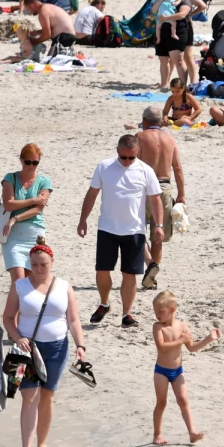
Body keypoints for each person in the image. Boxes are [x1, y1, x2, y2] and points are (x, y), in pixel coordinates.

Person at [2, 239, 88, 447]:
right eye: (35, 265)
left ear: (52, 262)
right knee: (29, 396)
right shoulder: (19, 286)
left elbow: (74, 319)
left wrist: (80, 345)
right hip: (26, 348)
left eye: (44, 264)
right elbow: (8, 318)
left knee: (48, 395)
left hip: (57, 347)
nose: (39, 269)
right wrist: (18, 337)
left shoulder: (64, 286)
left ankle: (42, 443)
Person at [77, 135, 165, 329]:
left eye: (131, 158)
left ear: (137, 153)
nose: (127, 162)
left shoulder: (145, 171)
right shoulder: (104, 167)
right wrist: (83, 220)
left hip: (134, 230)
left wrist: (159, 225)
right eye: (123, 157)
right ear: (117, 151)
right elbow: (92, 195)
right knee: (102, 270)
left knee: (129, 274)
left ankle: (127, 314)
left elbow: (155, 200)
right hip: (107, 227)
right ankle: (104, 303)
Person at [151, 291, 220, 445]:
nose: (157, 315)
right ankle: (157, 434)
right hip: (161, 371)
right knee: (161, 402)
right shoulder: (158, 327)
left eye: (161, 312)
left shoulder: (182, 326)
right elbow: (162, 347)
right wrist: (181, 340)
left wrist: (209, 339)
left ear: (172, 309)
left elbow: (192, 348)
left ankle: (192, 433)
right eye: (155, 312)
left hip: (177, 371)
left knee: (183, 400)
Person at [135, 106, 185, 290]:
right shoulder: (170, 138)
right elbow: (178, 168)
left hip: (142, 187)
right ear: (161, 122)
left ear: (145, 121)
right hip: (164, 187)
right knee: (158, 234)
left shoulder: (139, 137)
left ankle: (150, 266)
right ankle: (152, 277)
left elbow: (131, 165)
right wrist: (181, 194)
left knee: (135, 231)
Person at [0, 144, 53, 282]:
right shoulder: (11, 178)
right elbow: (8, 204)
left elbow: (38, 209)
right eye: (28, 162)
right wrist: (34, 199)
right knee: (18, 280)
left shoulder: (44, 181)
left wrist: (15, 218)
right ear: (21, 160)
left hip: (34, 234)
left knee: (32, 282)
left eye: (35, 162)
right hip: (12, 236)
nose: (31, 166)